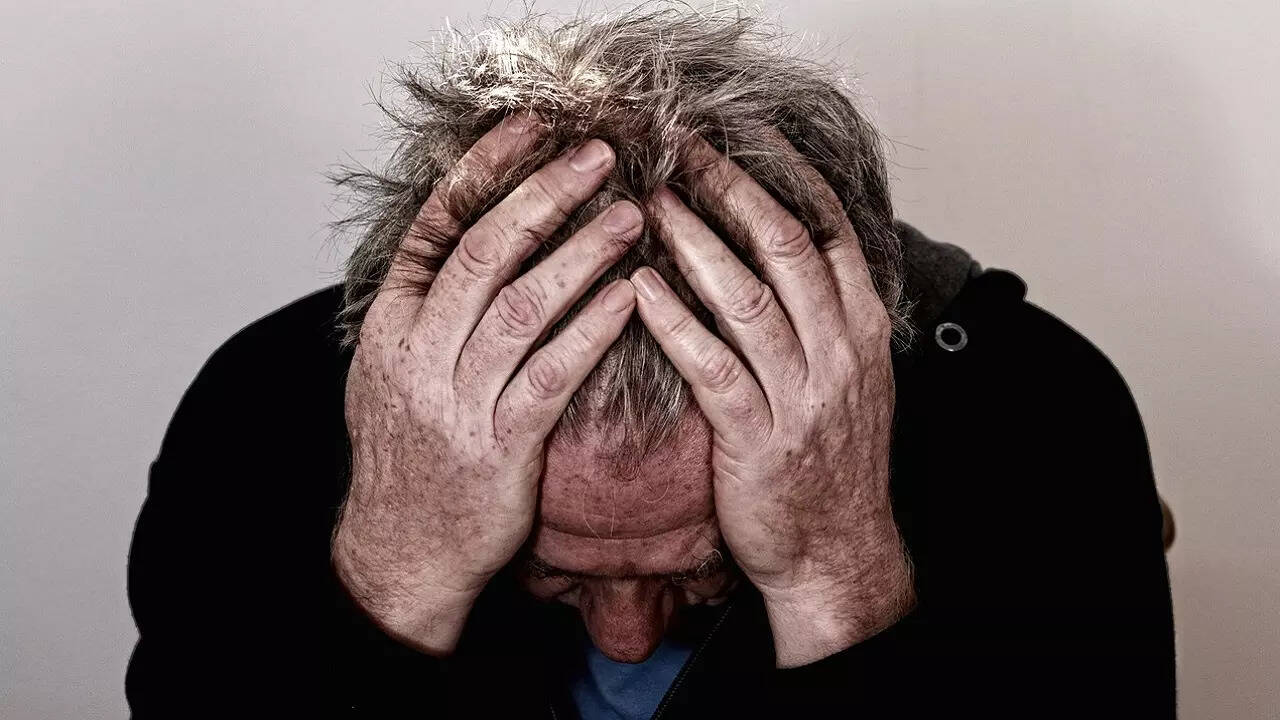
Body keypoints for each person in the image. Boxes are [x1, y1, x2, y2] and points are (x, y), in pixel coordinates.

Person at [125, 5, 1176, 718]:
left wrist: (834, 581)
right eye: (550, 568)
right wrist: (396, 584)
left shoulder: (1039, 414)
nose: (627, 640)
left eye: (704, 567)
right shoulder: (262, 409)